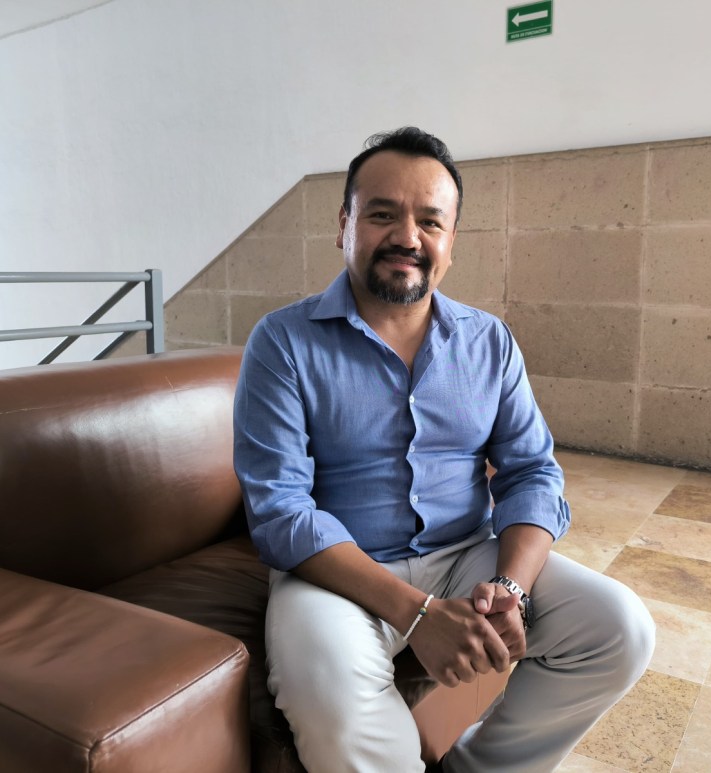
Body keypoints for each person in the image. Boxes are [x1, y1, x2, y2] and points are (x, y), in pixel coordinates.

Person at [233, 126, 655, 773]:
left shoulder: (490, 342)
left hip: (466, 554)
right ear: (344, 225)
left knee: (620, 628)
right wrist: (420, 615)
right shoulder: (282, 342)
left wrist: (511, 587)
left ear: (451, 242)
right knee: (329, 697)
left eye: (430, 221)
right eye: (382, 214)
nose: (407, 236)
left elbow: (531, 472)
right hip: (339, 570)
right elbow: (280, 510)